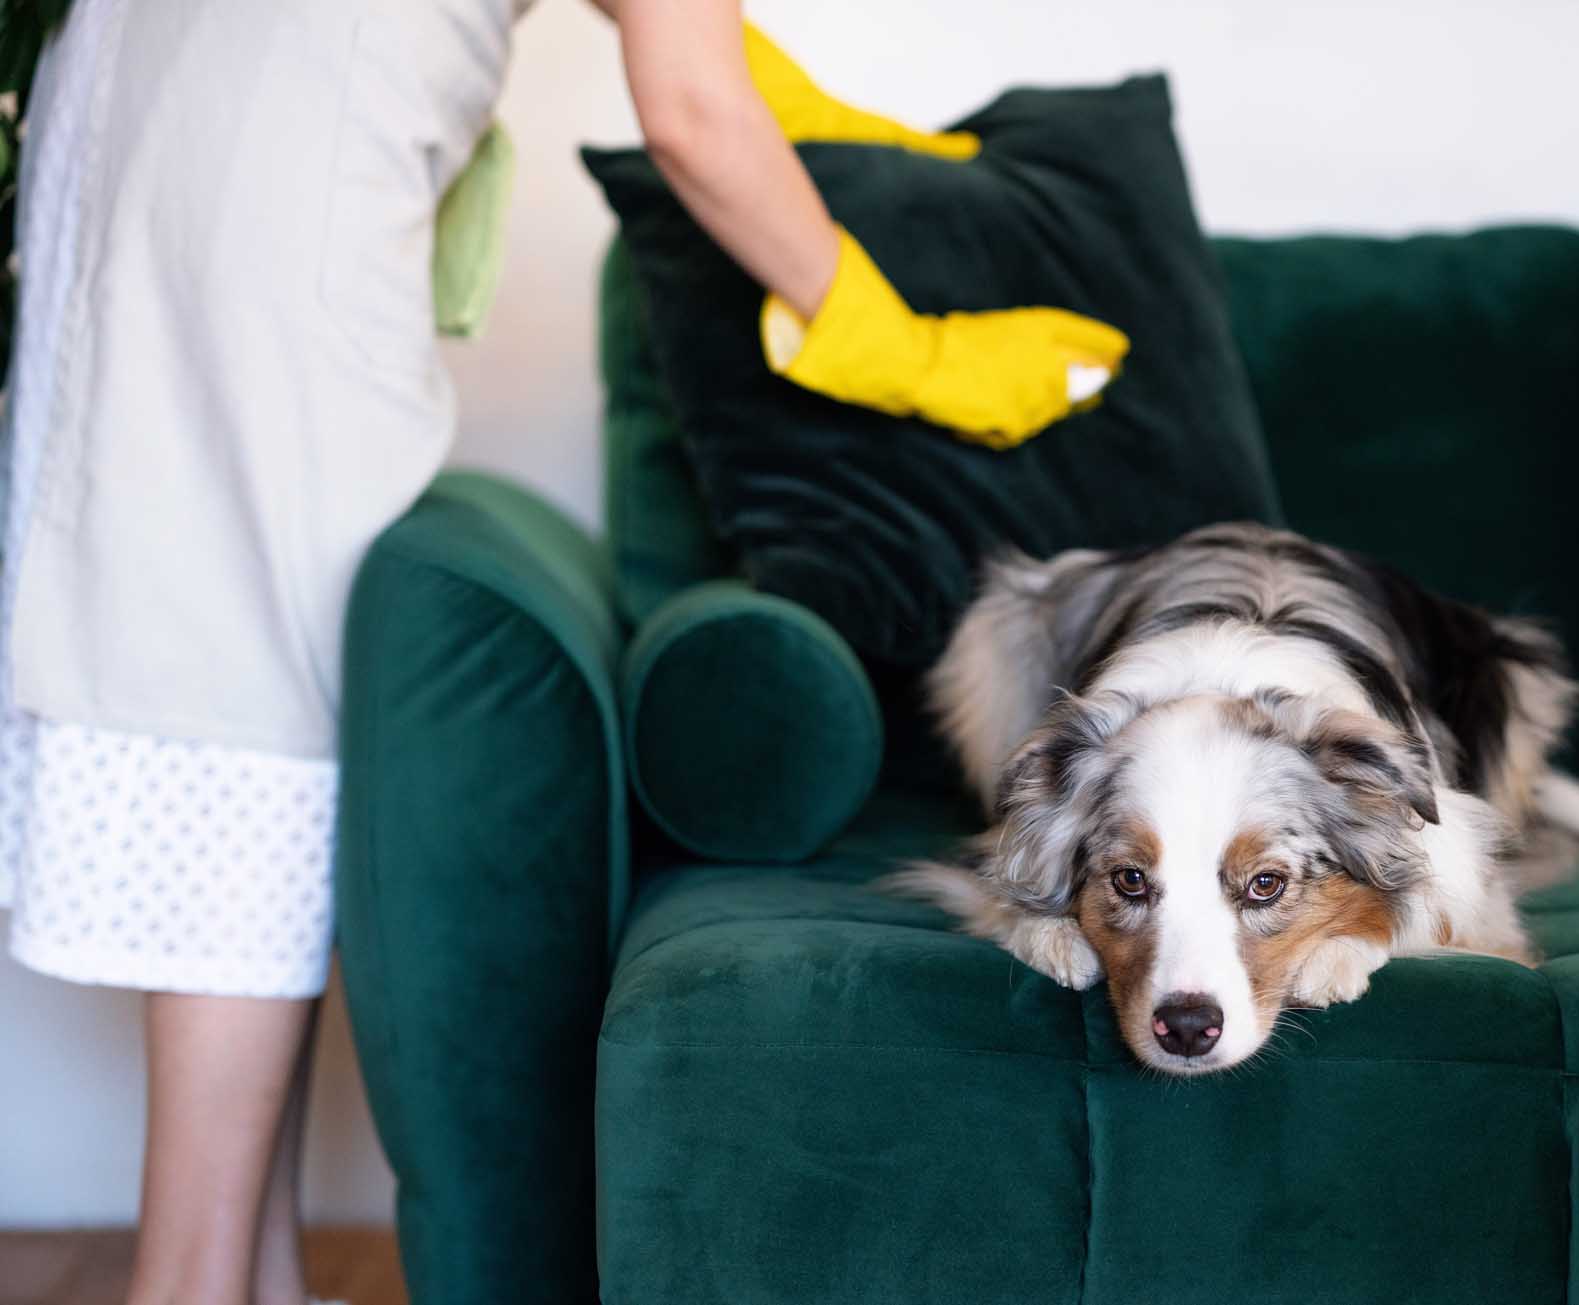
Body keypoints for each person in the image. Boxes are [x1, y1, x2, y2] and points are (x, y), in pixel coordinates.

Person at [0, 2, 1126, 1303]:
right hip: (251, 207)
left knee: (233, 693)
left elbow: (715, 53)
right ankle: (186, 1282)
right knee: (249, 723)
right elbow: (698, 109)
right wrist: (909, 350)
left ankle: (245, 1275)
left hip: (142, 137)